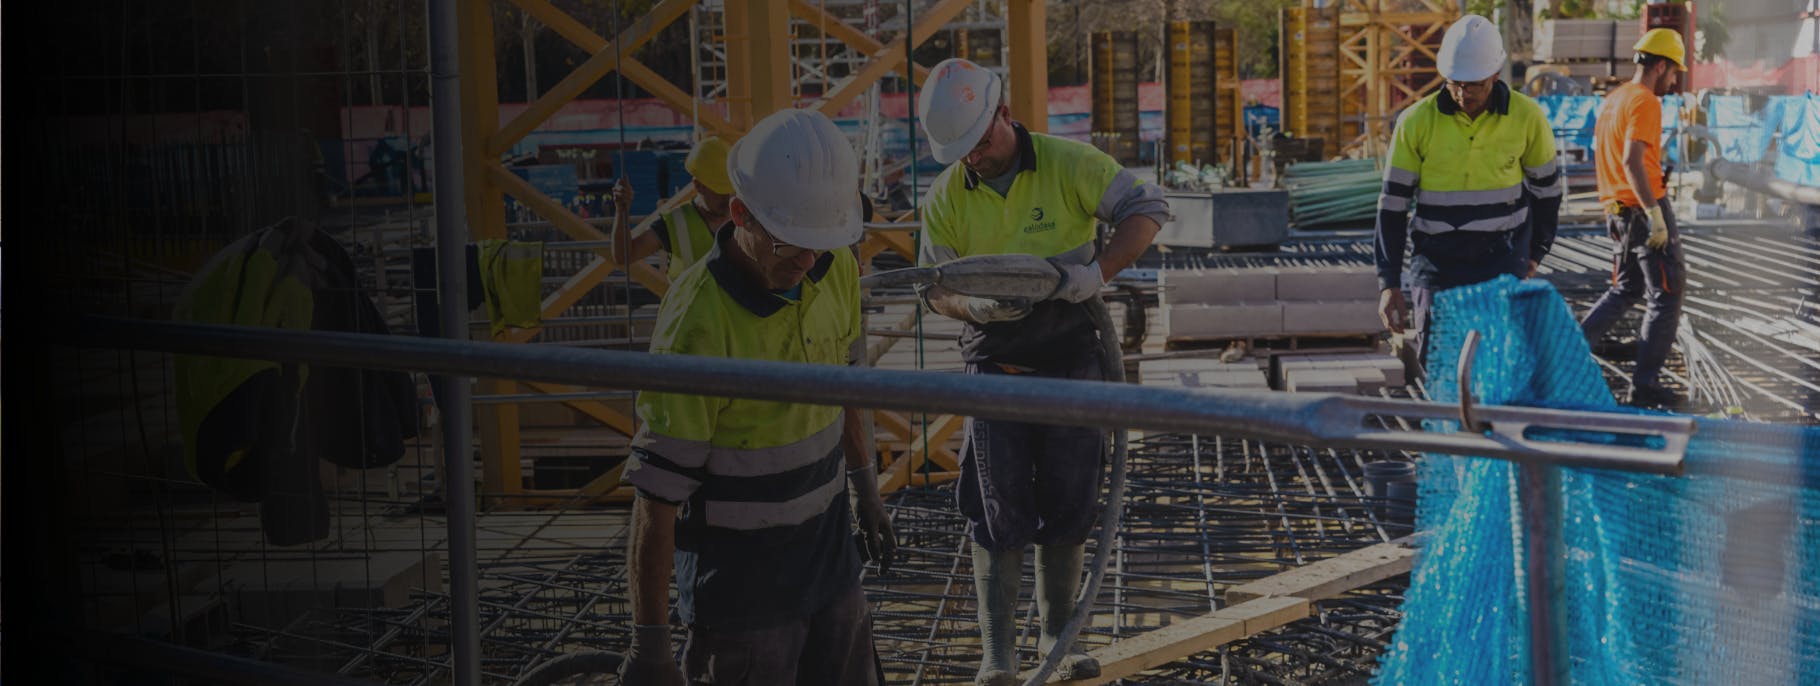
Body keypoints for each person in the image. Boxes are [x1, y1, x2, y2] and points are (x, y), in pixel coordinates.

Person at [618, 109, 896, 685]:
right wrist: (651, 647)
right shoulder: (695, 325)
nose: (807, 262)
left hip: (829, 562)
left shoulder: (832, 265)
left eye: (820, 245)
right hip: (743, 596)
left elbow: (847, 393)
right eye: (792, 244)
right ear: (739, 213)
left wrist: (867, 490)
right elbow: (656, 499)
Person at [915, 57, 1169, 685]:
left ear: (1004, 113)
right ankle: (997, 654)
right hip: (994, 363)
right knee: (996, 505)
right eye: (964, 151)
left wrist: (1097, 272)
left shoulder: (1067, 163)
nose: (976, 156)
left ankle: (1057, 635)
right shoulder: (946, 195)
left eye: (982, 141)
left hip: (1071, 357)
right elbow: (933, 289)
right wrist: (969, 304)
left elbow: (1149, 209)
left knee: (1070, 497)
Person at [1374, 14, 1564, 372]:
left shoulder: (1527, 118)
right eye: (1455, 83)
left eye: (1474, 84)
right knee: (1442, 362)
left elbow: (1547, 193)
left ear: (1495, 73)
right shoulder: (1415, 123)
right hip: (1437, 263)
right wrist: (1388, 282)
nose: (1463, 94)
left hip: (1502, 260)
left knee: (1499, 364)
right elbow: (1393, 207)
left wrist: (1536, 252)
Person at [1578, 28, 1689, 408]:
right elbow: (1631, 160)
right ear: (1660, 66)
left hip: (1618, 212)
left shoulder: (1615, 99)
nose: (1674, 82)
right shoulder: (1644, 101)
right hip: (1642, 210)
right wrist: (1655, 215)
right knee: (1667, 293)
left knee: (1627, 288)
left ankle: (1574, 346)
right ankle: (1644, 385)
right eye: (1673, 73)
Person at [612, 137, 736, 282]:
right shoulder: (675, 222)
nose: (728, 198)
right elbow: (624, 256)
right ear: (698, 186)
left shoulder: (746, 217)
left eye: (731, 190)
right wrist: (622, 212)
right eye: (720, 191)